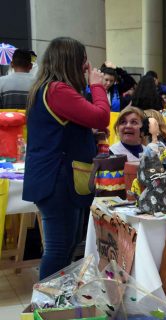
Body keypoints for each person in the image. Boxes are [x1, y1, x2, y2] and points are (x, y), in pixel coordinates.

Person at [22, 37, 110, 279]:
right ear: (72, 61)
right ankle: (45, 309)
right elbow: (102, 116)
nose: (86, 66)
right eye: (83, 60)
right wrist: (97, 86)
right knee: (59, 251)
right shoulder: (58, 89)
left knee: (66, 249)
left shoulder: (47, 88)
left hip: (56, 179)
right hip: (58, 181)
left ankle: (55, 306)